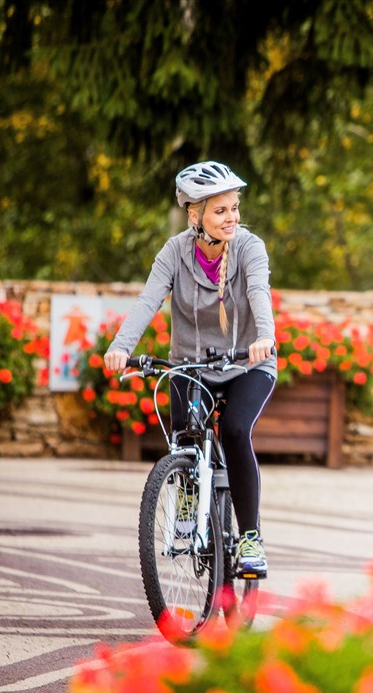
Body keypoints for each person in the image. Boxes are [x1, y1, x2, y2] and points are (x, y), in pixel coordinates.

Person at [104, 161, 277, 577]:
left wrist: (264, 336)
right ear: (194, 215)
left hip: (246, 363)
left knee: (235, 430)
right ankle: (186, 496)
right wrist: (121, 346)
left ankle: (250, 538)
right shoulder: (174, 252)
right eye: (221, 211)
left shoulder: (250, 247)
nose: (232, 217)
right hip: (191, 363)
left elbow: (258, 291)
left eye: (234, 208)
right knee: (184, 438)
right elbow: (148, 300)